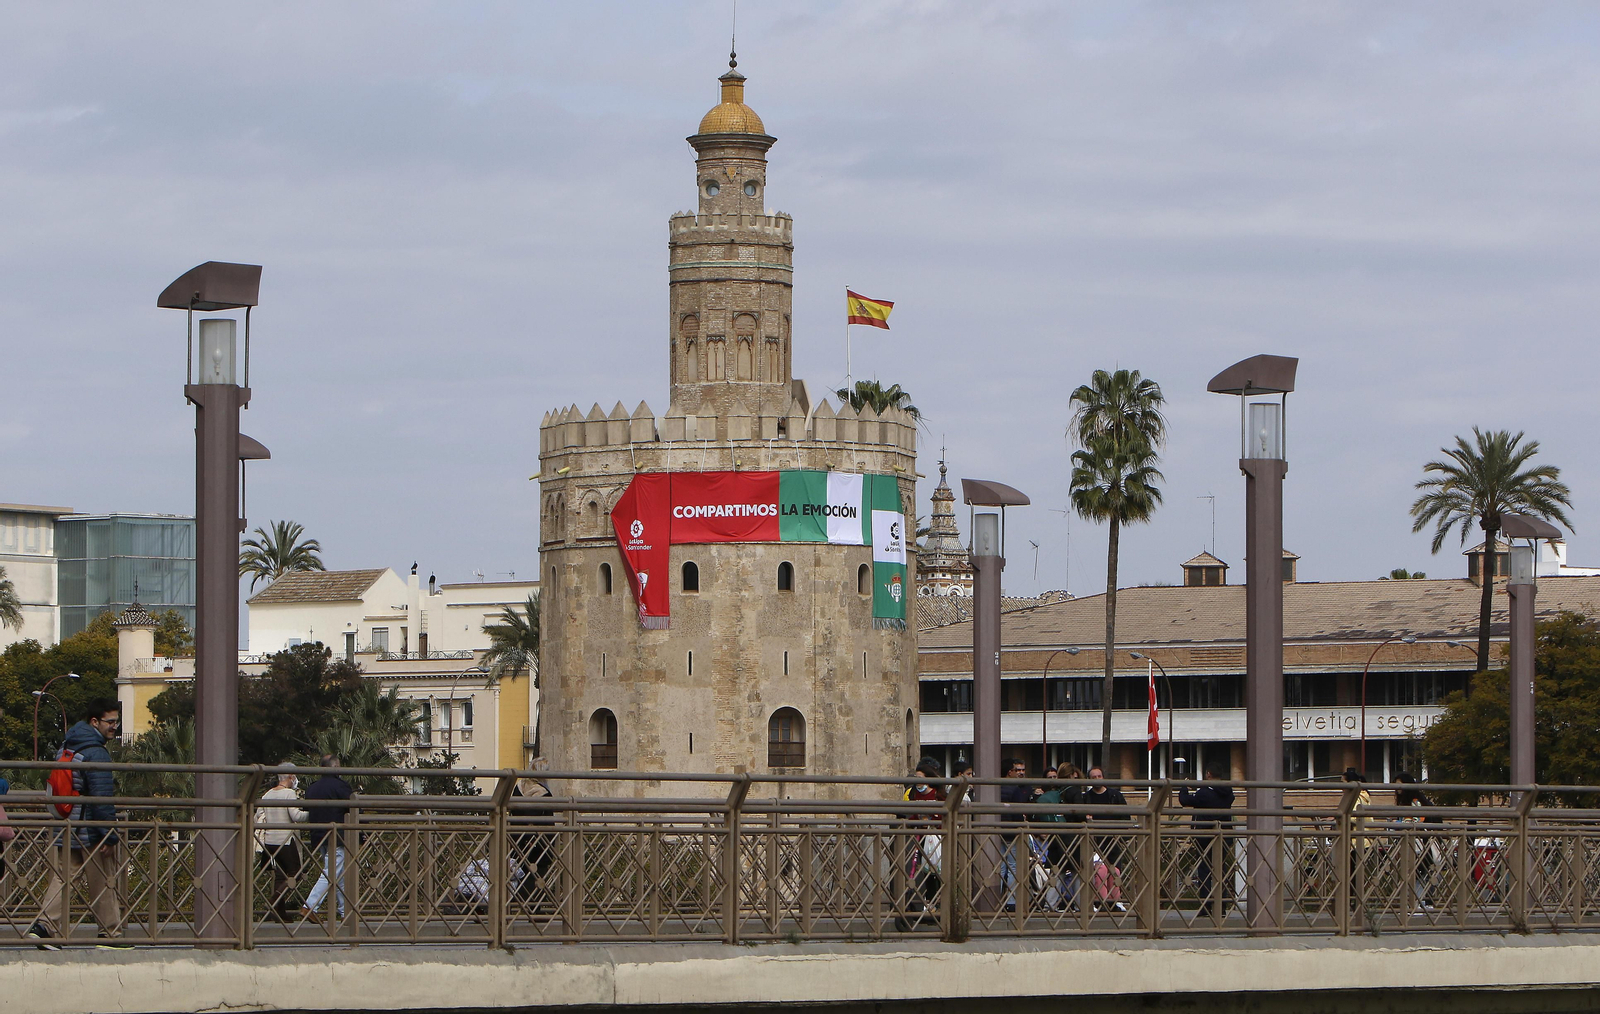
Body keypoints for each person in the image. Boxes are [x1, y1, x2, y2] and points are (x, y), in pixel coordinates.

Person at [28, 699, 127, 949]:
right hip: (89, 828)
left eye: (117, 721)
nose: (115, 726)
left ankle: (44, 928)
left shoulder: (67, 746)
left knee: (63, 877)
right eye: (110, 722)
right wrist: (109, 835)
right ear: (95, 722)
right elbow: (101, 798)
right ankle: (110, 935)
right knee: (104, 879)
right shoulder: (96, 752)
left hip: (65, 824)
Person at [300, 754, 354, 922]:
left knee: (338, 875)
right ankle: (310, 906)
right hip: (338, 836)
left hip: (318, 836)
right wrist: (362, 832)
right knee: (331, 873)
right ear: (336, 767)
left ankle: (346, 913)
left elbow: (306, 810)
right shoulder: (341, 786)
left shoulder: (312, 788)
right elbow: (354, 807)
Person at [1178, 767, 1236, 913]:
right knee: (1220, 871)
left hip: (1204, 836)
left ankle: (1206, 905)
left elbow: (1184, 801)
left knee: (1204, 870)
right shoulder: (1228, 792)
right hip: (1223, 835)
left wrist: (1183, 787)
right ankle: (1221, 906)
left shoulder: (1204, 793)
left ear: (1209, 774)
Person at [255, 765, 308, 918]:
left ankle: (280, 914)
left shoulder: (268, 794)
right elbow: (296, 816)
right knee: (295, 873)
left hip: (270, 841)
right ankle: (275, 898)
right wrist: (312, 814)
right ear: (291, 776)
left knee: (280, 875)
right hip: (285, 840)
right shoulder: (289, 794)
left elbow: (258, 815)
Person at [1083, 767, 1128, 911]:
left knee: (1115, 871)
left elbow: (1125, 817)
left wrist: (1122, 835)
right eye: (1093, 777)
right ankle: (1099, 901)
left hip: (1113, 839)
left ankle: (1115, 901)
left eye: (1099, 776)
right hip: (1094, 840)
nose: (1097, 779)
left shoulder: (1115, 795)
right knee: (1098, 871)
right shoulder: (1086, 798)